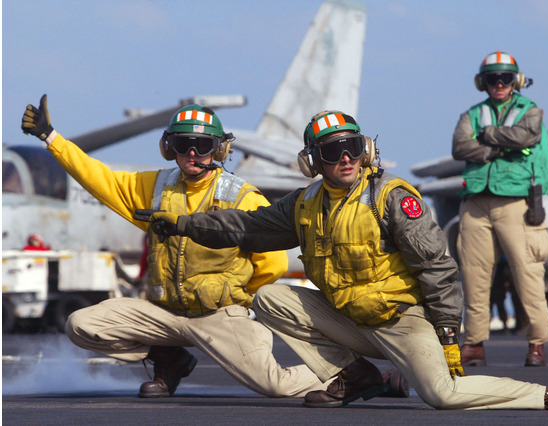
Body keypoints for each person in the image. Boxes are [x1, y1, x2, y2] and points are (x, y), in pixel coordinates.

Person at [135, 110, 548, 410]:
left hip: (402, 320)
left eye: (353, 147)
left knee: (444, 395)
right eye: (332, 152)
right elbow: (244, 227)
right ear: (314, 161)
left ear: (366, 150)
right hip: (351, 322)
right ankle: (354, 376)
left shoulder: (390, 198)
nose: (347, 157)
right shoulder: (306, 203)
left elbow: (437, 268)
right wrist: (180, 224)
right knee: (272, 297)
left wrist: (450, 335)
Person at [20, 95, 336, 400]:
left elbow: (274, 264)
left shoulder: (243, 198)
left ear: (220, 149)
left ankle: (342, 375)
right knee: (82, 325)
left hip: (219, 317)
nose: (194, 153)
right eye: (184, 145)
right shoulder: (154, 188)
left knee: (275, 385)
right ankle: (170, 359)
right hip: (163, 315)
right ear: (169, 148)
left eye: (204, 146)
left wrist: (235, 299)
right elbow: (98, 177)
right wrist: (51, 138)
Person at [452, 51, 548, 367]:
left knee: (529, 272)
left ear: (516, 81)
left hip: (516, 203)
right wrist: (501, 147)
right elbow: (459, 147)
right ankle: (474, 343)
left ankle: (537, 343)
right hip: (476, 202)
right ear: (482, 83)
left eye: (505, 78)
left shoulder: (531, 111)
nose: (499, 83)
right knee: (473, 275)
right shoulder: (472, 113)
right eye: (493, 78)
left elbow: (527, 135)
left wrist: (486, 138)